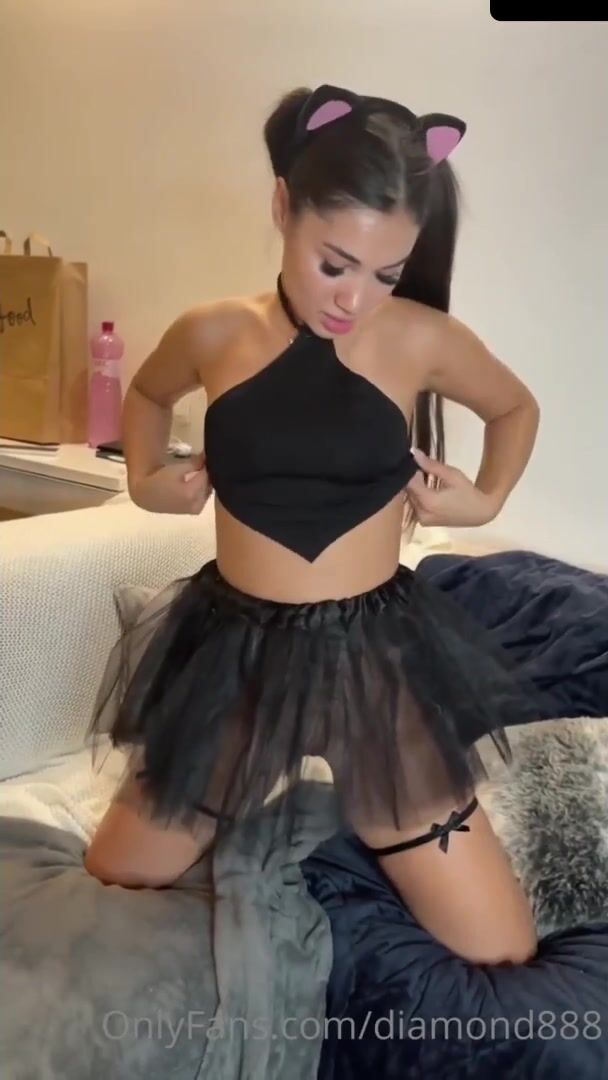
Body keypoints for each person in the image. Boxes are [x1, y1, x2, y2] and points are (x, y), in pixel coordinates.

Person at [85, 84, 540, 966]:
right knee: (114, 873)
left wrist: (484, 499)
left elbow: (515, 407)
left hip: (373, 659)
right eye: (336, 264)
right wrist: (144, 482)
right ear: (282, 207)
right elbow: (145, 393)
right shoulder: (214, 331)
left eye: (386, 274)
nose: (355, 299)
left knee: (500, 947)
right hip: (236, 655)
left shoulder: (420, 339)